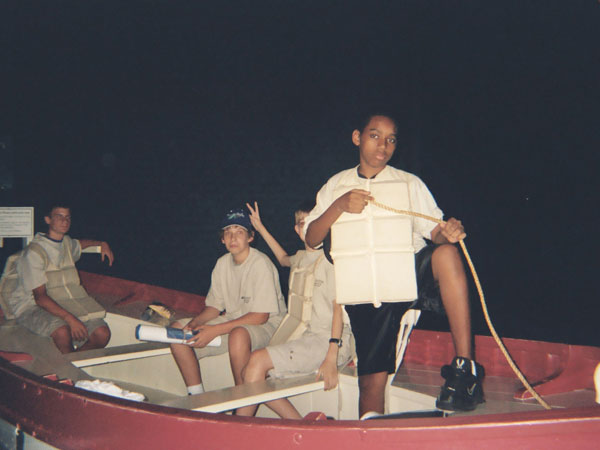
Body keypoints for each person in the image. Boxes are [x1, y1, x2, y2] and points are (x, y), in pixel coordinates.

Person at [303, 113, 484, 416]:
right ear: (357, 137)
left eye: (391, 139)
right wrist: (339, 205)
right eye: (375, 136)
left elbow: (434, 231)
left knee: (447, 253)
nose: (383, 145)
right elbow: (311, 237)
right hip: (366, 291)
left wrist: (447, 231)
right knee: (371, 388)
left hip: (408, 275)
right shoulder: (336, 185)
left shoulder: (409, 184)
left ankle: (465, 371)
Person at [235, 201, 352, 419]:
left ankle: (235, 433)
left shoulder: (332, 260)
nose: (307, 228)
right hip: (305, 336)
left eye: (313, 223)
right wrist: (260, 228)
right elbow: (282, 259)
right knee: (249, 373)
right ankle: (300, 426)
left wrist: (331, 357)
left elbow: (338, 310)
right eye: (302, 224)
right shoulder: (300, 258)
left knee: (256, 364)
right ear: (297, 229)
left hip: (330, 341)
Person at [169, 208, 287, 395]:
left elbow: (261, 316)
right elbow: (214, 308)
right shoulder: (222, 264)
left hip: (270, 325)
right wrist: (195, 323)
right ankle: (196, 394)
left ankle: (241, 398)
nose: (233, 238)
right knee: (177, 332)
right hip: (235, 321)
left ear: (250, 237)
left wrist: (214, 330)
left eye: (239, 232)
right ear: (222, 239)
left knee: (238, 335)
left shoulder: (261, 264)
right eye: (228, 233)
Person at [8, 204, 113, 354]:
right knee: (62, 331)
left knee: (102, 333)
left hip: (62, 299)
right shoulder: (34, 253)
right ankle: (67, 371)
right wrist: (71, 320)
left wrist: (102, 243)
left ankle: (71, 363)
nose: (65, 221)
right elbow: (40, 298)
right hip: (30, 305)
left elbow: (80, 244)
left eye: (67, 217)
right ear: (48, 220)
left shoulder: (66, 244)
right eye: (59, 216)